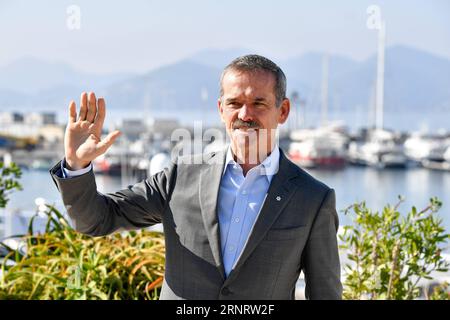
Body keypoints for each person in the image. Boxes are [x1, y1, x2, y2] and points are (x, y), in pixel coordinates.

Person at [49, 54, 342, 300]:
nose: (245, 113)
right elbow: (96, 220)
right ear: (220, 109)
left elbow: (325, 293)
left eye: (258, 103)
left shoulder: (312, 199)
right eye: (234, 103)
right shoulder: (180, 176)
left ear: (283, 111)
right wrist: (77, 164)